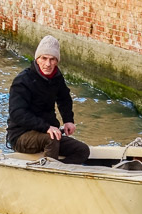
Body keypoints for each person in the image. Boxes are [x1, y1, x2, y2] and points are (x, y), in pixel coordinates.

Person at [6, 35, 90, 164]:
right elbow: (17, 113)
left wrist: (68, 120)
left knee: (82, 150)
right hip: (21, 135)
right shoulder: (22, 80)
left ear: (57, 61)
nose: (48, 64)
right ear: (37, 59)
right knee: (51, 138)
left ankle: (62, 171)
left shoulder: (56, 76)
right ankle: (49, 173)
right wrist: (46, 127)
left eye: (52, 59)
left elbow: (64, 98)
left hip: (48, 132)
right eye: (44, 58)